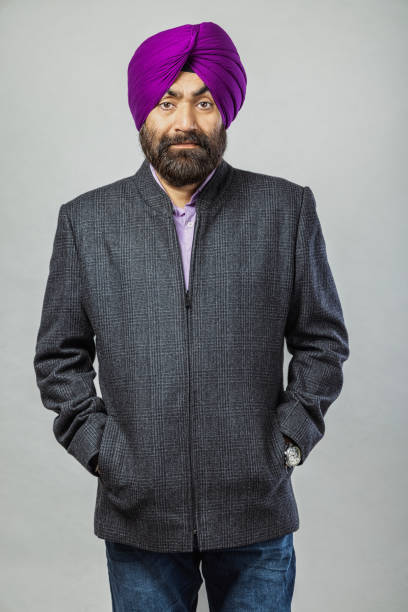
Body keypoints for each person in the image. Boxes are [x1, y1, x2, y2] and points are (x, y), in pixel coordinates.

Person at [33, 21, 350, 611]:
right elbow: (59, 359)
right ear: (143, 115)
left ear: (224, 112)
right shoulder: (87, 222)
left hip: (256, 511)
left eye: (204, 102)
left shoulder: (285, 209)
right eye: (167, 101)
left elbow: (322, 340)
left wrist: (288, 442)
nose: (185, 122)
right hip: (139, 516)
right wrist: (104, 453)